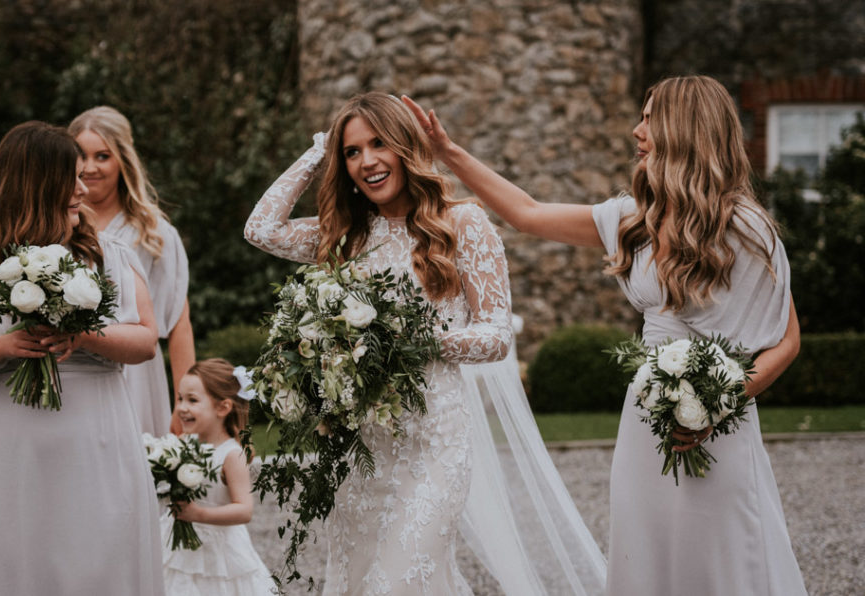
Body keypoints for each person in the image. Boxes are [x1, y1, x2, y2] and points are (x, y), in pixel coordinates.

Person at [404, 74, 807, 595]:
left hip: (717, 426)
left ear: (684, 128)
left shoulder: (749, 232)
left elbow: (788, 341)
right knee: (646, 552)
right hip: (644, 418)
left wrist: (715, 404)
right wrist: (449, 152)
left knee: (724, 551)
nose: (636, 130)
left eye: (648, 118)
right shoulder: (633, 221)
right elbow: (527, 214)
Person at [245, 91, 588, 594]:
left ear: (406, 145)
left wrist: (412, 340)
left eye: (378, 143)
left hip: (436, 443)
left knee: (397, 583)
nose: (367, 162)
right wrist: (319, 149)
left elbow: (495, 335)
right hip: (361, 447)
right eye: (353, 151)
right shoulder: (345, 235)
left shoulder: (464, 223)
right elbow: (261, 229)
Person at [0, 121, 165, 596]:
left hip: (96, 438)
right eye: (73, 177)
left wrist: (85, 336)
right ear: (37, 183)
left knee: (97, 558)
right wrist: (4, 346)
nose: (84, 189)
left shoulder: (110, 257)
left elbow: (146, 341)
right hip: (12, 441)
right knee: (15, 560)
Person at [69, 106, 195, 436]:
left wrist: (187, 404)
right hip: (70, 368)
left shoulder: (155, 234)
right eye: (82, 156)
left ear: (123, 160)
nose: (90, 167)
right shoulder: (56, 228)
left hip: (136, 374)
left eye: (103, 156)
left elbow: (179, 323)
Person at [163, 358, 277, 595]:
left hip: (220, 553)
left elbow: (244, 510)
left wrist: (198, 514)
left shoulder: (231, 455)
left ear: (222, 407)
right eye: (180, 399)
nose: (182, 408)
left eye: (192, 400)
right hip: (178, 546)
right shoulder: (183, 443)